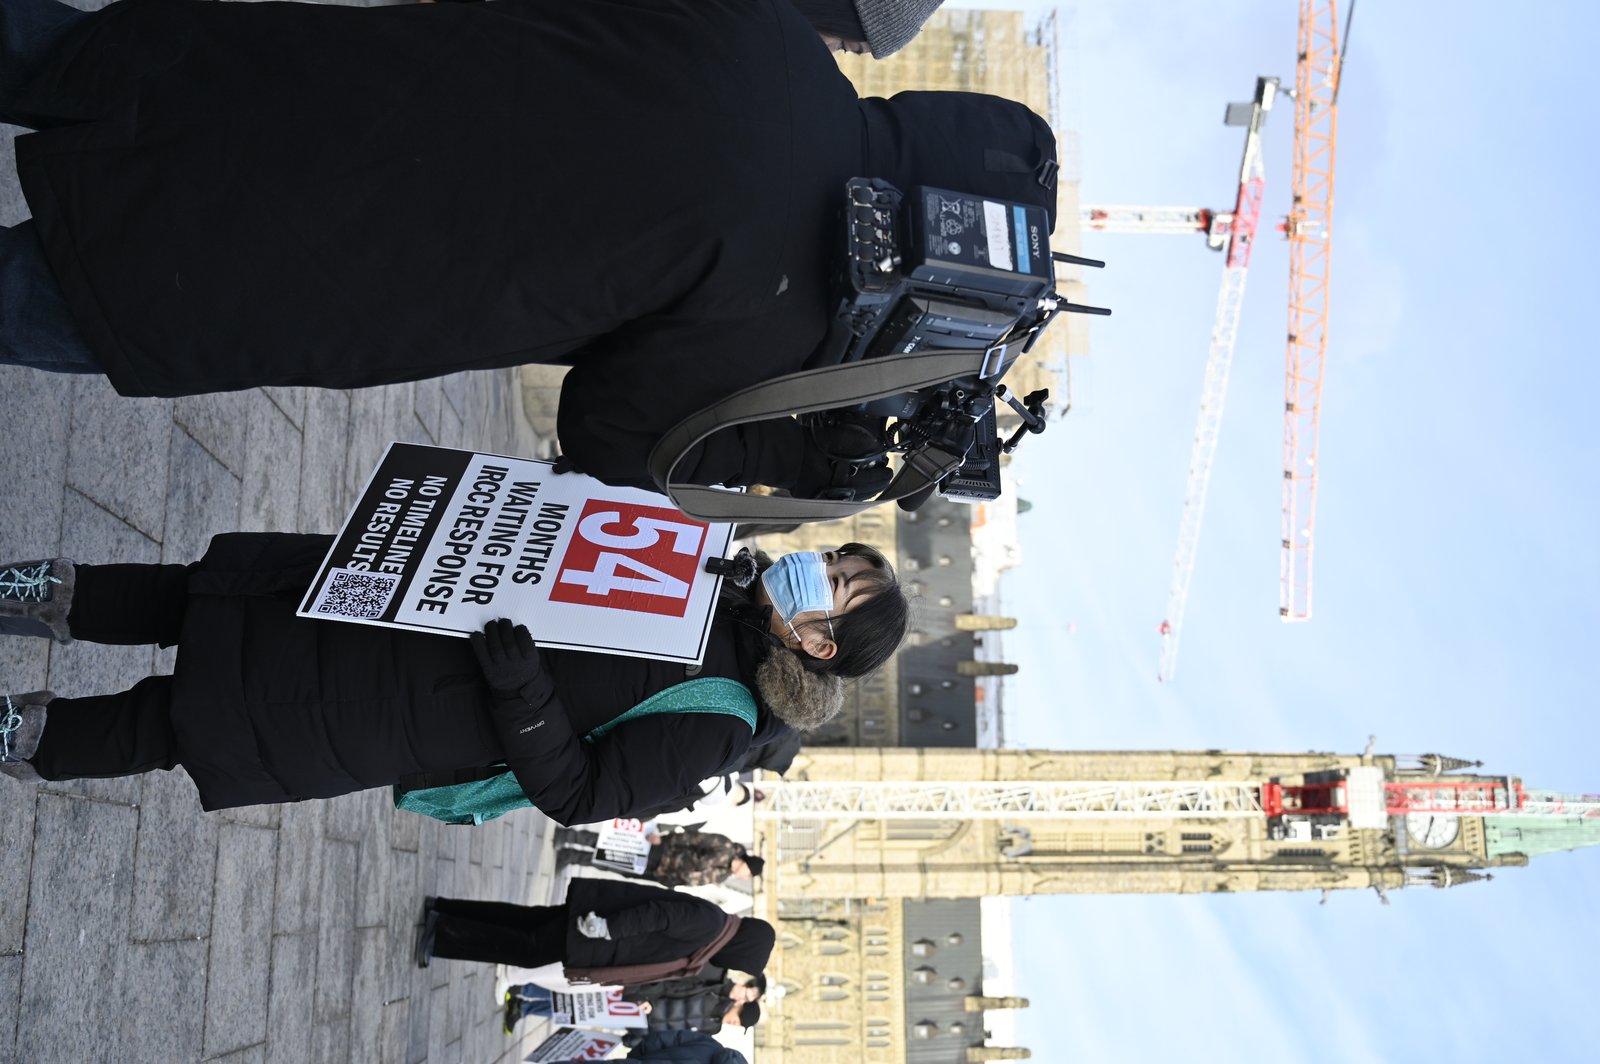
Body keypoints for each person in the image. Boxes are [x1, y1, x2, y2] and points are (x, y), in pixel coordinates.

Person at [0, 0, 1058, 498]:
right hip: (284, 269)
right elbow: (610, 434)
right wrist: (803, 449)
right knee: (52, 291)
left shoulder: (766, 29)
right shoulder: (772, 310)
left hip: (285, 73)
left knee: (54, 56)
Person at [0, 540, 907, 821]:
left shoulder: (720, 719)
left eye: (834, 583)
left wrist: (523, 690)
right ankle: (31, 592)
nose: (815, 566)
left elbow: (580, 793)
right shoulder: (713, 573)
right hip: (398, 603)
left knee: (183, 722)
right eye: (834, 557)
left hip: (407, 704)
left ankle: (20, 735)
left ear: (824, 645)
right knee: (198, 598)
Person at [415, 882, 775, 983]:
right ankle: (442, 933)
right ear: (742, 948)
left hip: (597, 930)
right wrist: (608, 928)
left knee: (524, 922)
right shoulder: (710, 926)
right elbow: (659, 915)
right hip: (597, 932)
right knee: (526, 950)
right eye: (741, 964)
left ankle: (444, 910)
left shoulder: (712, 935)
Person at [503, 971, 764, 1040]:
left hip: (636, 1022)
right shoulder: (714, 993)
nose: (734, 1024)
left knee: (576, 1013)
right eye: (739, 1021)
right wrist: (647, 997)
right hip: (637, 1001)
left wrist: (638, 1038)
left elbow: (672, 1032)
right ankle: (525, 990)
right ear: (739, 1008)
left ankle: (523, 1008)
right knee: (580, 1000)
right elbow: (676, 987)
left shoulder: (712, 1029)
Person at [553, 827, 765, 888]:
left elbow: (691, 880)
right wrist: (664, 839)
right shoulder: (725, 846)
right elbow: (692, 838)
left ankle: (569, 856)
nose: (745, 878)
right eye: (749, 874)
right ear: (748, 864)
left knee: (612, 865)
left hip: (659, 874)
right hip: (661, 853)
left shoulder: (722, 877)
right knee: (612, 848)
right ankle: (568, 836)